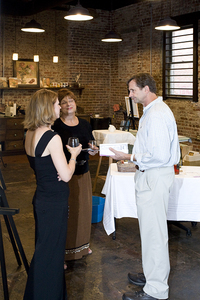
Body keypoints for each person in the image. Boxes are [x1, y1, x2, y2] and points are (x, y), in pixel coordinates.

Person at [109, 73, 180, 300]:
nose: (130, 95)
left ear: (146, 89)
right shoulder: (152, 112)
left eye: (133, 91)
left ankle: (156, 290)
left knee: (155, 235)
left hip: (154, 176)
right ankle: (152, 276)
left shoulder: (157, 114)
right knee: (150, 233)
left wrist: (129, 156)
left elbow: (158, 155)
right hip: (151, 176)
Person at [23, 89, 82, 300]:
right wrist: (73, 156)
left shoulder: (30, 133)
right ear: (48, 107)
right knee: (52, 255)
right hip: (55, 202)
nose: (60, 106)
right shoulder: (52, 137)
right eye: (57, 103)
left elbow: (42, 166)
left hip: (41, 198)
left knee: (44, 251)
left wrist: (57, 169)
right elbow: (66, 175)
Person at [52, 89, 98, 262]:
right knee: (68, 213)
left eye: (71, 101)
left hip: (83, 172)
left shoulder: (85, 124)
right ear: (59, 107)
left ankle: (82, 246)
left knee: (84, 211)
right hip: (64, 175)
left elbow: (90, 144)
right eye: (64, 102)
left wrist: (93, 151)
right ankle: (64, 251)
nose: (68, 104)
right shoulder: (56, 125)